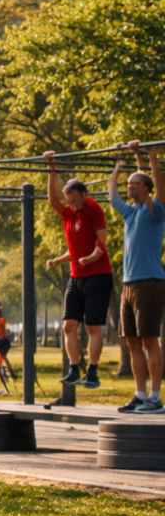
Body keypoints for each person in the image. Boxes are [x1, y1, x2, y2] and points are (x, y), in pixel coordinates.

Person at [45, 152, 113, 388]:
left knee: (93, 326)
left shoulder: (93, 209)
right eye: (68, 200)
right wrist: (52, 167)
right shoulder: (69, 213)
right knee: (68, 325)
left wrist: (93, 256)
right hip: (77, 276)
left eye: (74, 199)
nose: (70, 204)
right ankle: (74, 367)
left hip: (98, 276)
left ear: (83, 194)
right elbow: (52, 199)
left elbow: (101, 243)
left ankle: (92, 371)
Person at [109, 142, 165, 413]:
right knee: (131, 341)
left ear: (146, 188)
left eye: (134, 184)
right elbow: (112, 197)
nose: (129, 187)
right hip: (129, 284)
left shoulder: (155, 212)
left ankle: (155, 397)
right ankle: (140, 394)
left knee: (149, 339)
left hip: (150, 283)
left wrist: (151, 158)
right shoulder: (130, 214)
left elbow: (158, 186)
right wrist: (121, 166)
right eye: (128, 184)